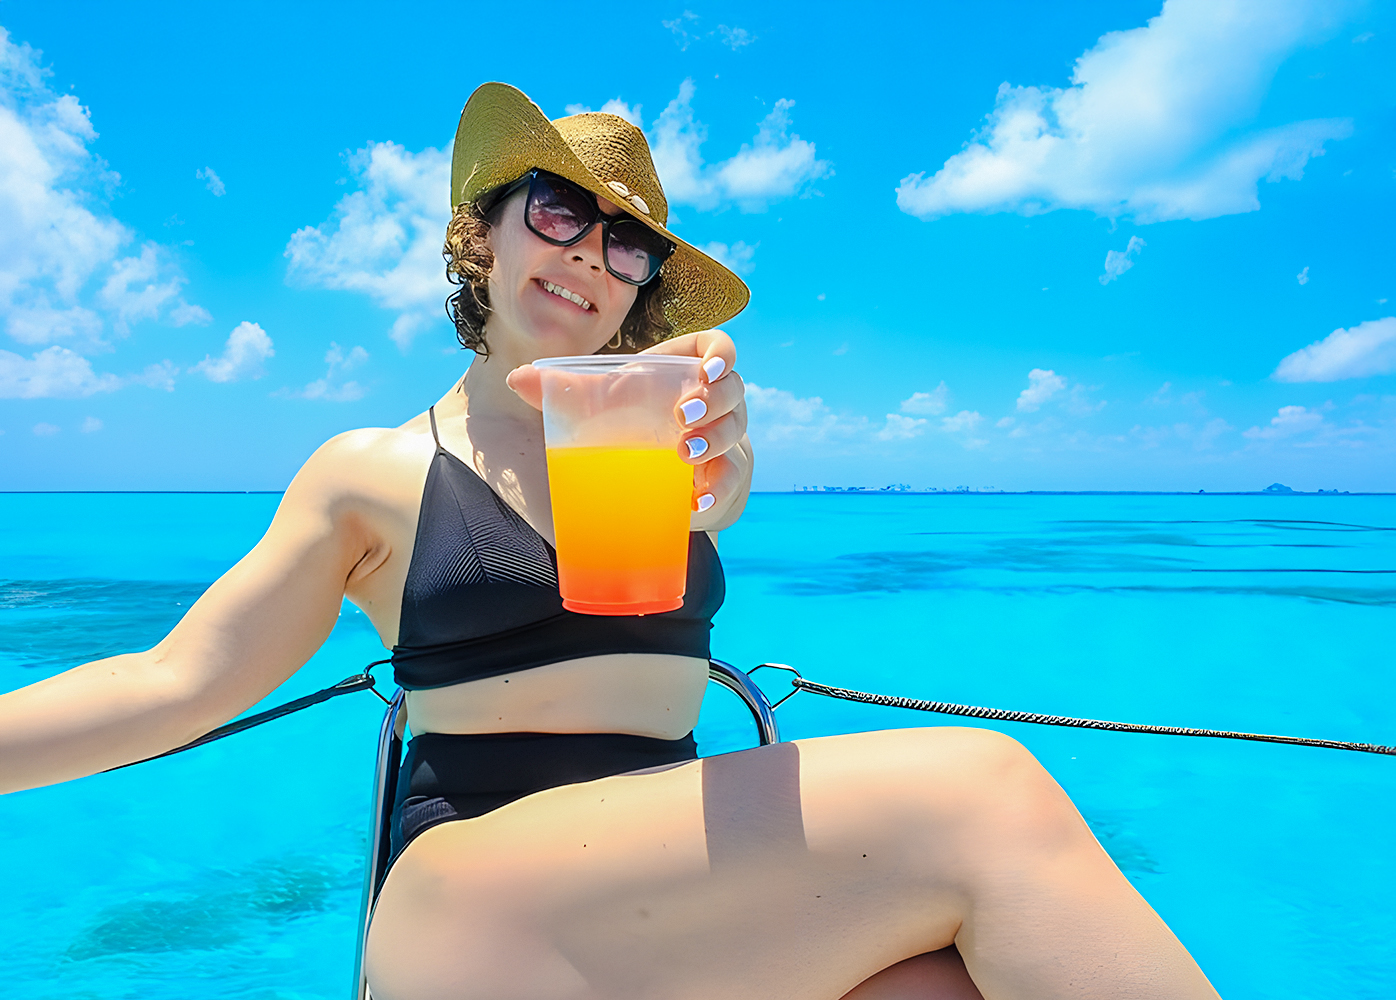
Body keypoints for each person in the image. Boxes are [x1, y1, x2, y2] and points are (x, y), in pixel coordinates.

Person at [0, 83, 1220, 1000]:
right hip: (471, 897)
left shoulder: (662, 441)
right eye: (557, 211)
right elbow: (175, 681)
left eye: (625, 243)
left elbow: (715, 493)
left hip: (662, 881)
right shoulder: (371, 470)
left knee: (944, 980)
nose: (589, 252)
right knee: (982, 791)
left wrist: (726, 462)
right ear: (481, 236)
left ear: (639, 288)